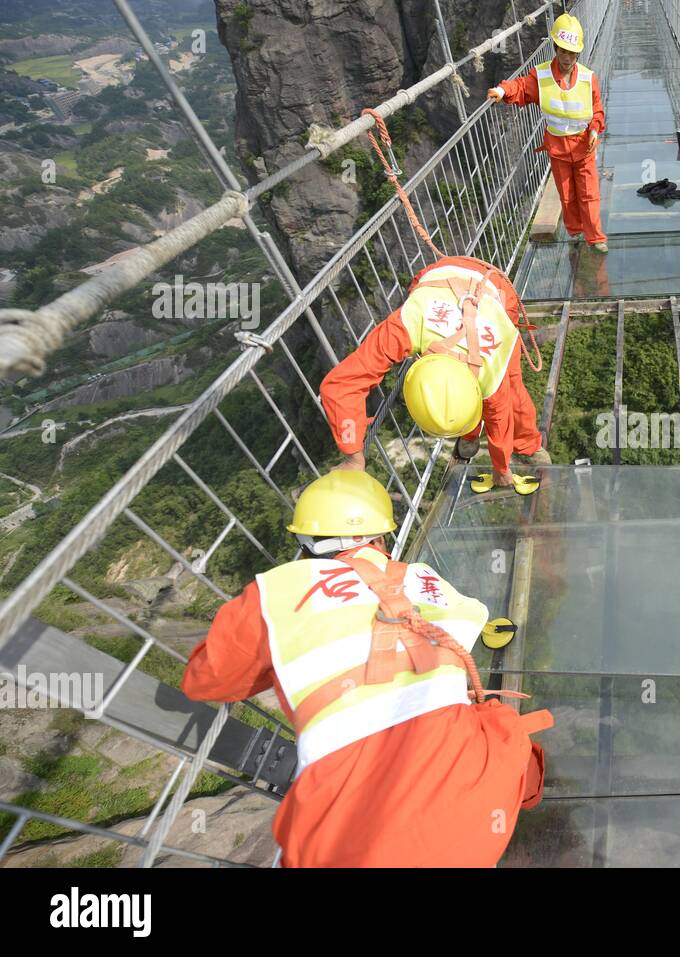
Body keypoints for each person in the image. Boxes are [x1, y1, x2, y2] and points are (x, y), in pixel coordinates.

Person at [181, 470, 552, 866]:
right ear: (381, 538)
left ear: (305, 542)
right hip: (473, 822)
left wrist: (275, 655)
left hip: (346, 849)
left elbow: (205, 681)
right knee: (496, 722)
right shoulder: (425, 579)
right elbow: (471, 622)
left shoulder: (273, 593)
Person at [319, 254, 549, 494]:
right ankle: (469, 432)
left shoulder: (491, 368)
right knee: (480, 402)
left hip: (496, 291)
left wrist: (501, 469)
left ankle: (527, 445)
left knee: (512, 389)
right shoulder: (409, 322)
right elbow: (341, 385)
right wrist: (353, 455)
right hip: (441, 277)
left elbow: (500, 419)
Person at [489, 13, 608, 252]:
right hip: (557, 146)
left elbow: (597, 111)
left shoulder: (588, 78)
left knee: (589, 193)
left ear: (578, 53)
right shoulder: (541, 76)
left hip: (584, 145)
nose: (567, 57)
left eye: (572, 52)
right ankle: (575, 231)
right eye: (563, 51)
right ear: (555, 48)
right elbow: (521, 87)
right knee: (566, 194)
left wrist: (595, 129)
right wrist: (503, 90)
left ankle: (595, 238)